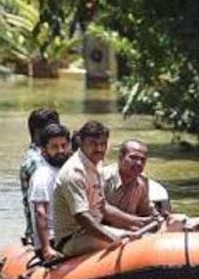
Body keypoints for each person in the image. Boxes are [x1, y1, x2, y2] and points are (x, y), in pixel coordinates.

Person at [49, 120, 127, 258]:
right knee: (127, 245)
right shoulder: (74, 172)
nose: (99, 149)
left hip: (90, 231)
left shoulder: (97, 165)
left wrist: (139, 221)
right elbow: (81, 216)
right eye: (93, 144)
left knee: (135, 236)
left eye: (103, 144)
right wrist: (112, 238)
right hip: (71, 238)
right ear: (81, 142)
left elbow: (103, 206)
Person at [102, 139, 184, 232]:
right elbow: (102, 208)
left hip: (128, 228)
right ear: (120, 158)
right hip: (101, 229)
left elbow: (145, 210)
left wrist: (160, 217)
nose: (138, 163)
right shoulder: (103, 178)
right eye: (133, 158)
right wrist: (136, 221)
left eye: (142, 159)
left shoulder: (142, 182)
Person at [25, 122, 71, 264]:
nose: (61, 151)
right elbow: (40, 212)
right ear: (44, 151)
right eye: (54, 147)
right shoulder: (43, 175)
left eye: (63, 145)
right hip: (53, 239)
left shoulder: (65, 170)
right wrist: (46, 249)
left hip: (66, 233)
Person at [18, 106, 60, 242]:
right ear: (38, 132)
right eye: (53, 129)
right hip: (44, 235)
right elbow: (40, 208)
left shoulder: (50, 157)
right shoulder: (36, 162)